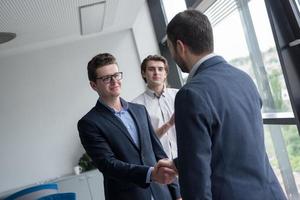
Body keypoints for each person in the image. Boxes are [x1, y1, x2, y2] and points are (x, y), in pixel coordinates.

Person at [158, 10, 287, 200]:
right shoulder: (243, 78)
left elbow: (197, 182)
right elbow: (234, 142)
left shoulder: (190, 94)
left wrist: (187, 165)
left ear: (180, 46)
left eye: (169, 47)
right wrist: (180, 164)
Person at [77, 53, 181, 200]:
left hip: (161, 193)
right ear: (94, 85)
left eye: (116, 75)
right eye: (106, 78)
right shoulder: (89, 123)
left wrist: (176, 193)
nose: (114, 81)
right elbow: (108, 164)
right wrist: (150, 174)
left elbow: (159, 153)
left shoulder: (139, 110)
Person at [132, 55, 178, 159]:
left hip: (187, 158)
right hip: (160, 164)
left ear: (165, 73)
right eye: (151, 69)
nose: (156, 72)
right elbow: (144, 142)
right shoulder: (136, 106)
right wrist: (169, 124)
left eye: (160, 69)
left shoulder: (179, 96)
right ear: (143, 73)